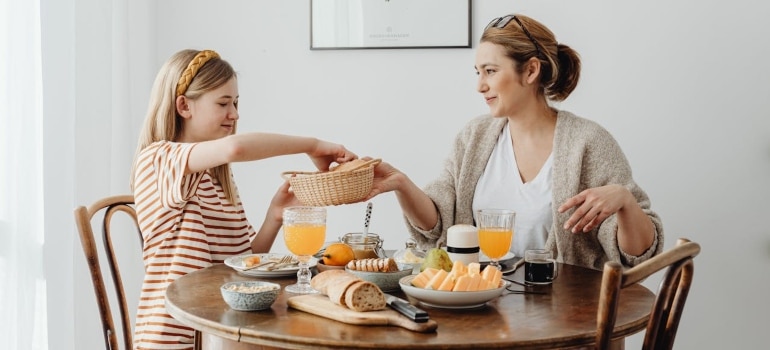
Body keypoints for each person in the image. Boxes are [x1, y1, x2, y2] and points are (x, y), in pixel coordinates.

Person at [366, 14, 663, 270]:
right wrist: (401, 183)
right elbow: (437, 225)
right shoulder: (475, 137)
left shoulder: (588, 143)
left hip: (566, 319)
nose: (480, 85)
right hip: (480, 310)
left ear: (531, 70)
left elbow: (638, 256)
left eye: (491, 71)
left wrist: (625, 201)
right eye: (478, 72)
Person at [129, 49, 357, 349]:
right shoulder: (157, 160)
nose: (234, 114)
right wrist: (312, 145)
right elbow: (235, 148)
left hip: (220, 330)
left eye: (236, 103)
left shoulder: (214, 176)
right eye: (223, 103)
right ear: (184, 106)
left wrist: (275, 216)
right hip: (177, 336)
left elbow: (241, 261)